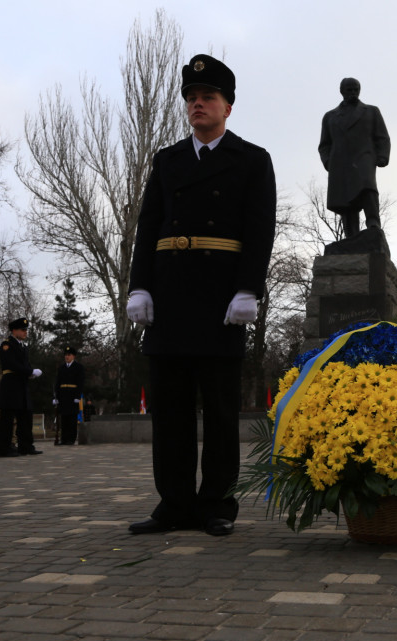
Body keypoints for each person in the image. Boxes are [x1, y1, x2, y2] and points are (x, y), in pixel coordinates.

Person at [126, 54, 276, 538]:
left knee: (218, 409)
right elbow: (147, 226)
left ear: (227, 106)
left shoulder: (252, 160)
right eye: (191, 98)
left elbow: (260, 231)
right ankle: (173, 504)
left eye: (207, 97)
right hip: (169, 295)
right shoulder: (166, 160)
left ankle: (216, 504)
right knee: (169, 410)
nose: (197, 105)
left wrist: (249, 290)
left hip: (220, 299)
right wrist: (139, 286)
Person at [318, 78, 391, 238]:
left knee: (367, 187)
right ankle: (351, 235)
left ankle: (373, 222)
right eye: (349, 90)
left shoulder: (371, 111)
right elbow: (324, 144)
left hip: (364, 156)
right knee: (345, 198)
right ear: (342, 91)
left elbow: (382, 136)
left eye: (355, 89)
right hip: (340, 161)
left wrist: (383, 155)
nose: (353, 93)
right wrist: (329, 162)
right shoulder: (330, 116)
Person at [0, 318, 43, 457]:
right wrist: (29, 372)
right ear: (14, 330)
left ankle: (26, 446)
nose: (25, 332)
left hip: (21, 384)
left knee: (25, 417)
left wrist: (30, 373)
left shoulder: (23, 346)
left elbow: (24, 364)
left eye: (26, 330)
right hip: (10, 385)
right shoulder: (7, 345)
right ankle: (4, 449)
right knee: (7, 419)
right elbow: (11, 364)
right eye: (22, 330)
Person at [52, 346, 85, 445]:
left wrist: (77, 396)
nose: (67, 357)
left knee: (72, 418)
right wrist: (56, 397)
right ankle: (64, 438)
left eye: (69, 355)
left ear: (73, 356)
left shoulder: (79, 367)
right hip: (63, 396)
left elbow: (80, 382)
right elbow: (58, 383)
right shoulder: (61, 368)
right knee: (64, 418)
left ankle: (71, 438)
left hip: (72, 395)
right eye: (65, 355)